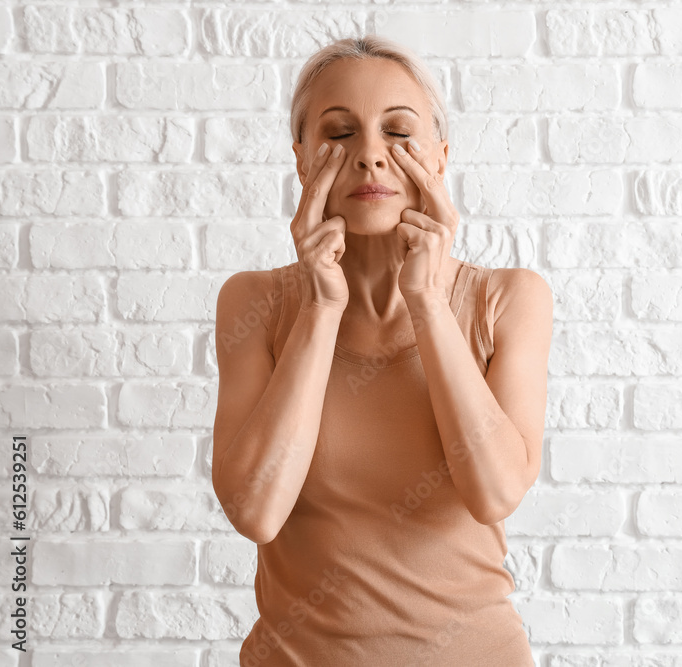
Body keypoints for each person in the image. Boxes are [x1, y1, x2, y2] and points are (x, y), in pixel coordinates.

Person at [211, 34, 552, 666]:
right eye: (338, 134)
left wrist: (427, 302)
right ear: (301, 158)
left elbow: (496, 491)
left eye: (398, 132)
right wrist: (321, 308)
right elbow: (256, 510)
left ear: (440, 157)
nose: (370, 156)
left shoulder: (509, 299)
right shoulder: (253, 303)